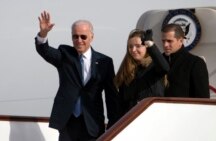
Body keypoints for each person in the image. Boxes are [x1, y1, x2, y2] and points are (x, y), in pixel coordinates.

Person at [35, 11, 120, 141]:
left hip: (93, 123)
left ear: (92, 37)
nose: (79, 40)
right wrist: (43, 34)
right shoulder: (65, 54)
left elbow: (111, 96)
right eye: (75, 37)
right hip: (68, 123)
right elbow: (45, 51)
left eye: (83, 37)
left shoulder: (105, 62)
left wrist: (113, 125)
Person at [114, 29, 170, 116]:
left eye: (138, 46)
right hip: (131, 120)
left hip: (153, 118)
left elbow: (165, 68)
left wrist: (151, 45)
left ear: (146, 47)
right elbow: (120, 104)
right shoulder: (125, 70)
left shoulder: (155, 66)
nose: (133, 50)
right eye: (130, 46)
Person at [161, 23, 210, 98]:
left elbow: (203, 99)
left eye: (169, 41)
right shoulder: (156, 62)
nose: (165, 45)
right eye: (163, 41)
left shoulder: (195, 63)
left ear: (180, 41)